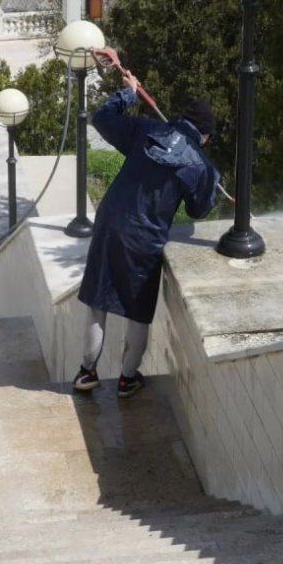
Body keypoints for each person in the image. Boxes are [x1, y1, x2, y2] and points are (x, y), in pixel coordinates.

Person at [73, 74, 221, 398]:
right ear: (205, 135)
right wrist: (212, 181)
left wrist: (128, 94)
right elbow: (199, 210)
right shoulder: (198, 164)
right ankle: (127, 379)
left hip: (110, 222)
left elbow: (102, 118)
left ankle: (86, 373)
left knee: (98, 301)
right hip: (145, 240)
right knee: (137, 310)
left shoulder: (147, 130)